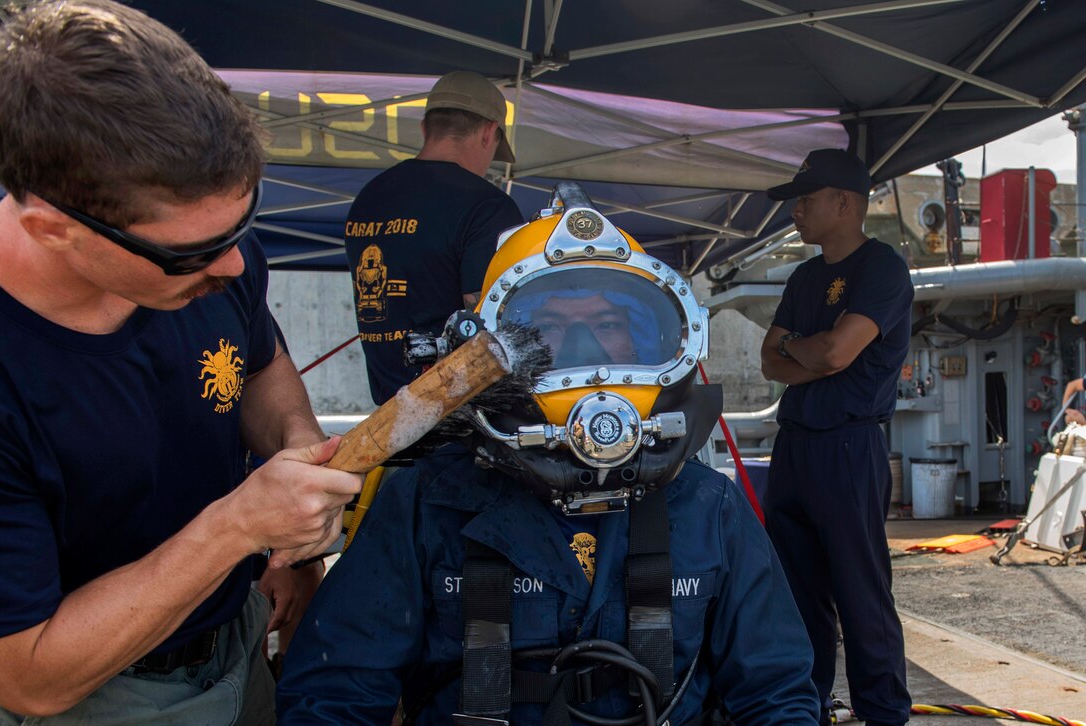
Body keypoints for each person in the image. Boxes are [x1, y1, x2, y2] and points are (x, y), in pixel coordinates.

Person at [277, 182, 822, 725]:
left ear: (648, 340)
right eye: (548, 328)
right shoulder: (425, 504)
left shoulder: (709, 508)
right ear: (487, 352)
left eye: (607, 325)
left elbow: (776, 694)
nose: (583, 349)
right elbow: (334, 696)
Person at [0, 2, 362, 722]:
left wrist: (294, 448)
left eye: (245, 221)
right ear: (53, 229)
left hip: (238, 640)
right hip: (100, 696)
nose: (232, 263)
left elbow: (258, 362)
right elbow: (30, 677)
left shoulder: (212, 248)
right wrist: (237, 528)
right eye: (190, 254)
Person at [759, 149, 914, 726]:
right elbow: (770, 361)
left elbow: (833, 351)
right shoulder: (804, 276)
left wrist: (813, 347)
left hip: (850, 445)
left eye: (805, 199)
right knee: (797, 595)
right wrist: (818, 351)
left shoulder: (882, 269)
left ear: (843, 202)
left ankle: (884, 713)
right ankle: (808, 707)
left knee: (860, 593)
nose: (795, 211)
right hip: (795, 443)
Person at [345, 70, 525, 405]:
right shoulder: (487, 205)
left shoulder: (368, 198)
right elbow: (497, 319)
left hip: (390, 419)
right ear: (489, 134)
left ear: (426, 128)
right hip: (462, 422)